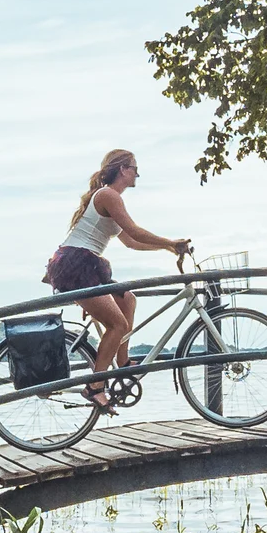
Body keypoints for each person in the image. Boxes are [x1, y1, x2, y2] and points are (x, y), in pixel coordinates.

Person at [44, 148, 191, 405]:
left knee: (128, 299)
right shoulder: (107, 195)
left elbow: (131, 242)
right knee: (118, 325)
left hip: (85, 265)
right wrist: (170, 242)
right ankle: (95, 386)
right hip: (77, 265)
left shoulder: (111, 198)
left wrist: (168, 249)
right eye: (135, 168)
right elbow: (134, 231)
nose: (137, 174)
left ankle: (122, 363)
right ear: (123, 169)